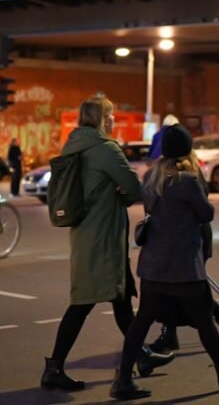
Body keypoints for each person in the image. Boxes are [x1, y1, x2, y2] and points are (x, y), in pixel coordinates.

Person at [111, 124, 219, 400]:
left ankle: (124, 379)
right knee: (204, 321)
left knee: (141, 322)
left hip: (154, 266)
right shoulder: (186, 180)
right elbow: (206, 213)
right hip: (183, 267)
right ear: (187, 150)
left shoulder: (152, 177)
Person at [40, 96, 173, 392]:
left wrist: (113, 191)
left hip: (86, 234)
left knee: (121, 298)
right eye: (110, 115)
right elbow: (134, 188)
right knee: (83, 303)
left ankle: (142, 355)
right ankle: (54, 368)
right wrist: (120, 193)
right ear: (102, 119)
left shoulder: (74, 145)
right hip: (103, 238)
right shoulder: (105, 149)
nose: (113, 120)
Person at [148, 175, 219, 353]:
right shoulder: (168, 172)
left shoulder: (186, 175)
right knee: (177, 288)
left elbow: (203, 209)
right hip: (179, 238)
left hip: (191, 237)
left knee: (190, 289)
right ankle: (171, 334)